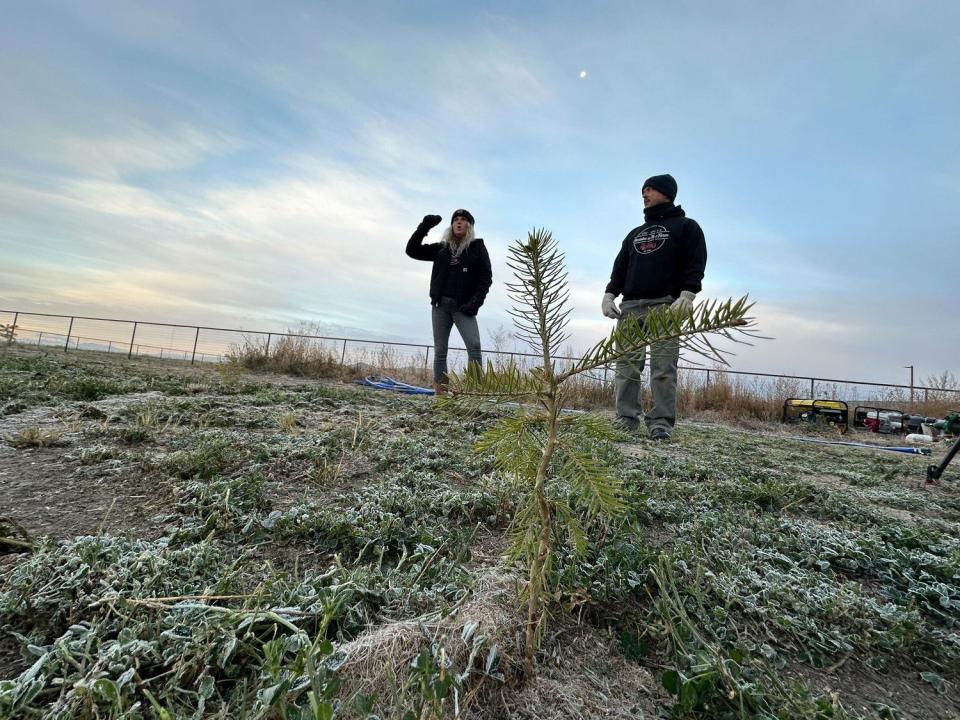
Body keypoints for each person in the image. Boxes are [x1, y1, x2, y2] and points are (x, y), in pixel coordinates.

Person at [601, 174, 707, 440]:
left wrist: (688, 295)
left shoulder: (686, 227)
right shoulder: (634, 234)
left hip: (666, 306)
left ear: (666, 192)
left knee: (663, 368)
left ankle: (660, 423)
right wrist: (609, 295)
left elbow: (695, 262)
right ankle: (625, 419)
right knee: (626, 366)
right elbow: (620, 268)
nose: (644, 194)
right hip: (631, 307)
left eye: (650, 189)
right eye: (643, 190)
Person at [406, 209, 492, 394]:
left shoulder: (477, 248)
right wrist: (424, 226)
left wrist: (475, 303)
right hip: (440, 307)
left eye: (463, 220)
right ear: (452, 225)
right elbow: (411, 250)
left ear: (470, 226)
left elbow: (486, 277)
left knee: (474, 346)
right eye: (456, 220)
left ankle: (474, 393)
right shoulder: (442, 249)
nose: (459, 222)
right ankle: (442, 394)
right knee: (440, 351)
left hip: (464, 307)